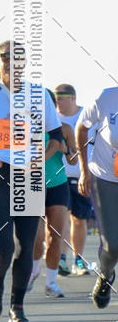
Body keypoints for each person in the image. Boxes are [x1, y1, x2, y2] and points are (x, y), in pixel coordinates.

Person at [0, 41, 63, 322]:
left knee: (25, 245)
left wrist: (40, 158)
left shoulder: (38, 94)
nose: (13, 63)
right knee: (2, 246)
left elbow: (57, 138)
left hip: (28, 175)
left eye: (19, 59)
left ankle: (17, 306)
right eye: (7, 58)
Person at [76, 86, 118, 308]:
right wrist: (84, 170)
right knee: (112, 246)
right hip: (105, 178)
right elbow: (81, 128)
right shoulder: (107, 98)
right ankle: (105, 274)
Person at [29, 90, 72, 298]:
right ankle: (34, 269)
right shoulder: (25, 128)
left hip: (58, 183)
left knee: (55, 235)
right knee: (36, 238)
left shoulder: (64, 128)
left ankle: (51, 283)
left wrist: (66, 150)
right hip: (32, 184)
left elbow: (73, 161)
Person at [55, 84, 94, 275]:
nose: (57, 102)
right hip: (57, 176)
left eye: (61, 98)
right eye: (55, 98)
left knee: (79, 220)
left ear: (72, 98)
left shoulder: (86, 116)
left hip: (81, 176)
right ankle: (60, 258)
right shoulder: (52, 118)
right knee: (61, 219)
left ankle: (78, 260)